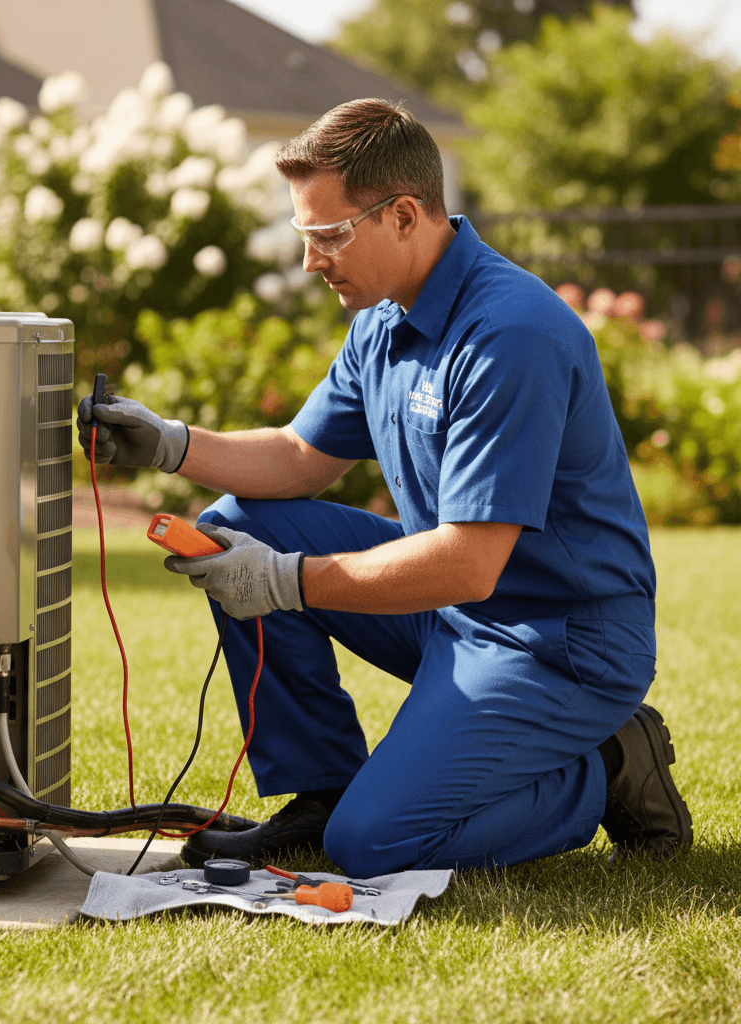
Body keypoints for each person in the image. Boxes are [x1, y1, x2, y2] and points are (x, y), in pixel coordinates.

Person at [76, 98, 692, 878]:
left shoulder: (511, 336)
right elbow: (301, 455)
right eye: (307, 235)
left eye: (328, 236)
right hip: (458, 614)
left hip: (557, 643)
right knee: (238, 522)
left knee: (376, 845)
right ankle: (321, 790)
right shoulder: (383, 314)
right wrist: (169, 444)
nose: (312, 261)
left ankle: (601, 769)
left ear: (404, 215)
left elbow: (470, 564)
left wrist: (286, 583)